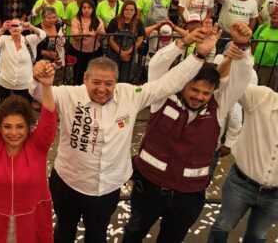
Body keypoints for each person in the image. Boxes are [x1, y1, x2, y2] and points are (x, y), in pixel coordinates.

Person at [29, 25, 220, 243]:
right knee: (64, 230)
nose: (102, 89)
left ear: (117, 82)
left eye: (109, 83)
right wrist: (38, 77)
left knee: (97, 234)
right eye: (96, 82)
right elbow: (37, 92)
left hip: (107, 187)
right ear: (85, 79)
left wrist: (198, 54)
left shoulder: (131, 95)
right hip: (68, 181)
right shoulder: (69, 95)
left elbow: (169, 83)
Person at [123, 22, 254, 242]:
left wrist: (242, 47)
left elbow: (240, 80)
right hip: (149, 188)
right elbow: (157, 65)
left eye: (205, 92)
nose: (199, 96)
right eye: (194, 89)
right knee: (134, 232)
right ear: (182, 84)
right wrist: (187, 44)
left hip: (189, 196)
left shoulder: (219, 107)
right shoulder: (162, 98)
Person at [207, 84, 278, 242]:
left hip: (275, 196)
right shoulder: (261, 98)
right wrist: (238, 59)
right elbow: (229, 82)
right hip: (241, 184)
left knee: (258, 235)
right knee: (223, 225)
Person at [0, 19, 46, 102]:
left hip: (25, 85)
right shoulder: (4, 39)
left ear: (22, 28)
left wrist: (31, 27)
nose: (15, 28)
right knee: (6, 110)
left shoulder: (29, 40)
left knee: (23, 111)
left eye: (18, 25)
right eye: (12, 26)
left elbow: (42, 35)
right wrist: (2, 29)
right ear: (9, 29)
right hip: (4, 83)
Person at [106, 1, 145, 83]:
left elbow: (139, 40)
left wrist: (127, 52)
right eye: (126, 9)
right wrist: (121, 52)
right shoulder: (114, 21)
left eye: (131, 10)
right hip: (113, 54)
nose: (128, 12)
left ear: (135, 12)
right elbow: (110, 39)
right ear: (123, 10)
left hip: (129, 55)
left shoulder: (139, 23)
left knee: (124, 79)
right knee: (111, 77)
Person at [69, 0, 105, 85]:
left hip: (94, 51)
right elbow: (75, 35)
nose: (86, 10)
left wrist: (100, 33)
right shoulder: (76, 20)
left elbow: (102, 34)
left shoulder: (98, 20)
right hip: (78, 51)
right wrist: (89, 34)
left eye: (89, 8)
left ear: (93, 9)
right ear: (81, 9)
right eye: (84, 7)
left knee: (92, 73)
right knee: (78, 74)